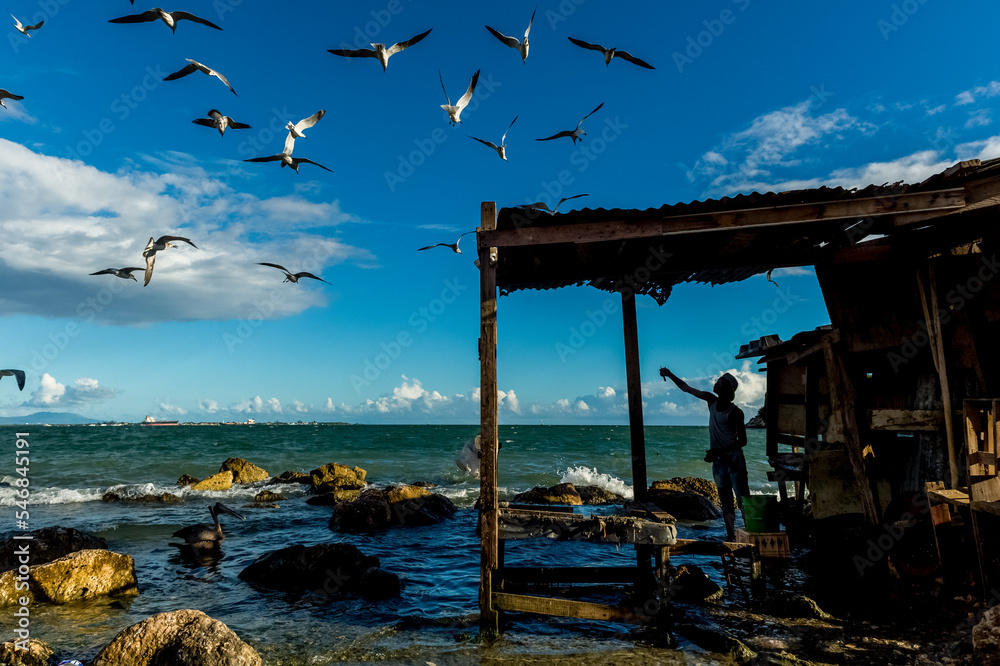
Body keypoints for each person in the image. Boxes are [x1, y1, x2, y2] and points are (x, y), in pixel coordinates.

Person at [660, 367, 750, 541]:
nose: (715, 383)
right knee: (726, 502)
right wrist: (670, 374)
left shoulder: (736, 412)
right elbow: (687, 388)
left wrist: (718, 451)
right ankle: (731, 536)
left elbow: (743, 441)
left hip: (734, 460)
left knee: (742, 499)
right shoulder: (711, 401)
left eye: (719, 382)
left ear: (727, 389)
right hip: (719, 461)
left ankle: (749, 532)